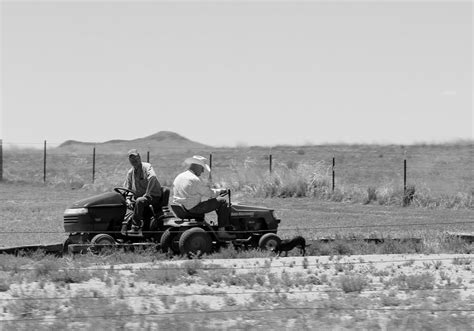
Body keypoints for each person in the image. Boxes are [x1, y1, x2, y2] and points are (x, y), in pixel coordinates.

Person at [172, 155, 234, 239]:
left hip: (180, 207)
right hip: (193, 208)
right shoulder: (194, 179)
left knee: (214, 201)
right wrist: (221, 191)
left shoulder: (179, 176)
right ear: (198, 166)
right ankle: (222, 231)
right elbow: (209, 193)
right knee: (222, 201)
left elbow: (204, 191)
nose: (203, 171)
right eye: (202, 168)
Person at [122, 149, 162, 234]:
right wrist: (128, 199)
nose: (134, 160)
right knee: (122, 202)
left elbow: (153, 177)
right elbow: (127, 188)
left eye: (135, 158)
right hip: (140, 197)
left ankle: (135, 226)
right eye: (132, 159)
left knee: (139, 201)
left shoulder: (146, 166)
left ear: (139, 157)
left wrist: (147, 193)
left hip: (153, 196)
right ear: (129, 160)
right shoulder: (130, 172)